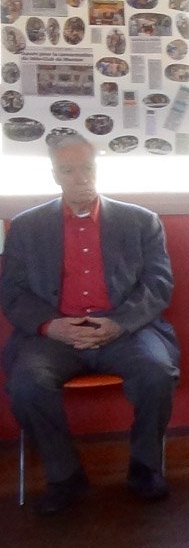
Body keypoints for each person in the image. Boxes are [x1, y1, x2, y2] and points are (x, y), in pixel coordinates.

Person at [2, 130, 178, 514]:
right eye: (69, 171)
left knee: (157, 373)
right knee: (27, 385)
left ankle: (145, 467)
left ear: (97, 167)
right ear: (55, 175)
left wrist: (119, 324)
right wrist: (51, 326)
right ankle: (65, 476)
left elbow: (158, 285)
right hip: (55, 333)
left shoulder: (141, 221)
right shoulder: (26, 227)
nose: (80, 178)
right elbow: (12, 293)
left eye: (87, 168)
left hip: (122, 329)